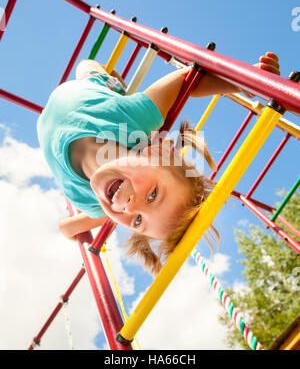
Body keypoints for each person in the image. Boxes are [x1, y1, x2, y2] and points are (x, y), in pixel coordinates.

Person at [37, 52, 280, 274]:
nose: (131, 208)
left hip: (51, 116)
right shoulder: (132, 117)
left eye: (138, 221)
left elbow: (67, 227)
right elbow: (186, 79)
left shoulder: (93, 204)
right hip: (89, 86)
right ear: (155, 155)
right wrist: (242, 84)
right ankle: (116, 84)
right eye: (153, 195)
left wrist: (72, 232)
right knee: (86, 65)